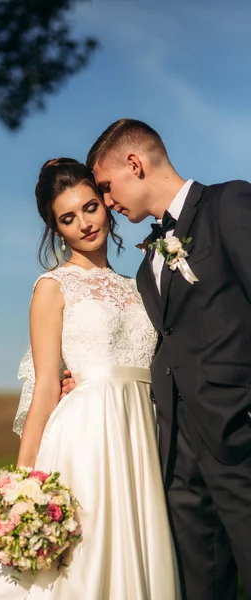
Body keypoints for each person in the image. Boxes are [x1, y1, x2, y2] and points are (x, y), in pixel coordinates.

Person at [63, 119, 251, 600]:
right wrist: (90, 380)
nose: (105, 203)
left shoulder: (229, 204)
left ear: (135, 164)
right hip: (175, 460)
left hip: (239, 440)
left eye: (105, 187)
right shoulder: (147, 263)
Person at [0, 158, 180, 599]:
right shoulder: (53, 287)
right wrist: (21, 484)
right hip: (87, 439)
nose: (84, 224)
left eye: (90, 208)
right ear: (56, 229)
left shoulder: (141, 283)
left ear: (106, 205)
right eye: (68, 218)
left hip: (145, 434)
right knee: (86, 563)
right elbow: (46, 387)